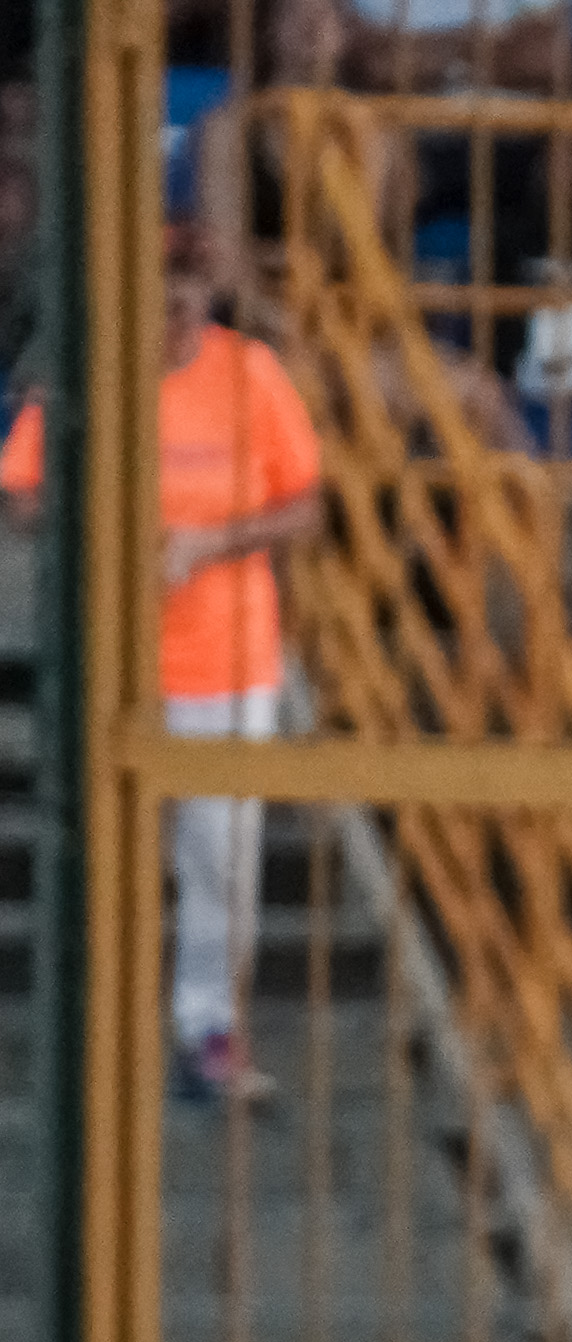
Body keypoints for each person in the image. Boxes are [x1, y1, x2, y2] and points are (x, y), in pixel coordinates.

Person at [2, 221, 324, 1108]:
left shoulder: (250, 373)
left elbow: (304, 508)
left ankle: (207, 1029)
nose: (180, 314)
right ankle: (95, 1035)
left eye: (192, 296)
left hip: (228, 659)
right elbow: (23, 496)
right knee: (104, 856)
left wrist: (212, 541)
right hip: (112, 660)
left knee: (225, 862)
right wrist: (107, 522)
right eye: (163, 295)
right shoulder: (84, 372)